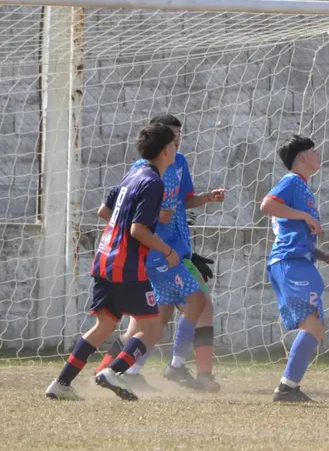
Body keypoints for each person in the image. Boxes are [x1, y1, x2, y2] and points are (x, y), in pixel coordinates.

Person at [45, 122, 178, 401]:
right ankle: (114, 372)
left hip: (105, 258)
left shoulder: (133, 174)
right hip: (126, 266)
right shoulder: (153, 182)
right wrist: (167, 251)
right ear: (165, 150)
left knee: (103, 326)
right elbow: (138, 230)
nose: (176, 148)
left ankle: (61, 383)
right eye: (174, 144)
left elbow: (104, 210)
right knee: (153, 328)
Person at [94, 114, 225, 392]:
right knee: (195, 303)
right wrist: (151, 223)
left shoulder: (180, 162)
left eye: (180, 133)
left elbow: (184, 200)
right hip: (157, 253)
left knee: (159, 318)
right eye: (172, 135)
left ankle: (128, 370)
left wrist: (206, 198)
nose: (177, 139)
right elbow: (114, 212)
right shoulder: (143, 171)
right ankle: (169, 366)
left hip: (177, 250)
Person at [260, 135, 329, 403]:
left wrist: (323, 255)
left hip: (297, 260)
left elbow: (292, 232)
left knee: (315, 326)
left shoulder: (303, 187)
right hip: (290, 262)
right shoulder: (292, 181)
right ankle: (286, 388)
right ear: (304, 157)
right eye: (314, 151)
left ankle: (289, 386)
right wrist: (306, 216)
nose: (319, 155)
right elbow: (266, 205)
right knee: (313, 324)